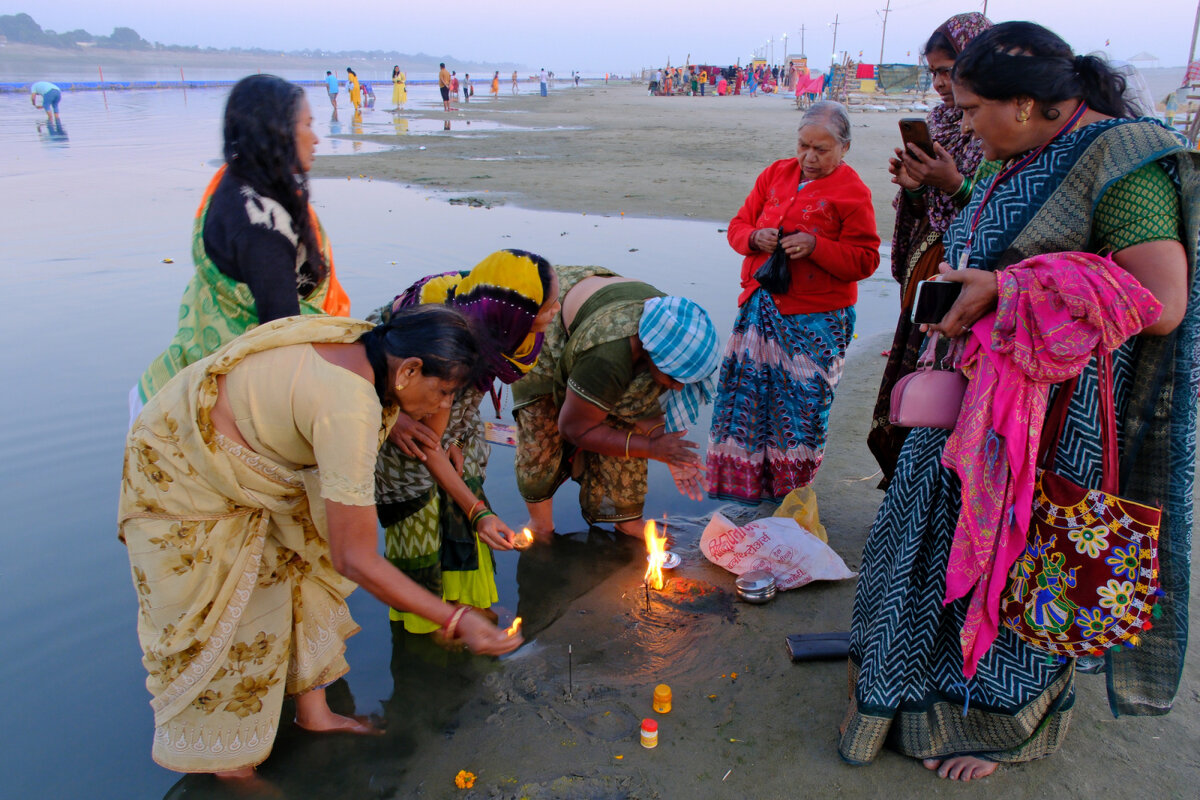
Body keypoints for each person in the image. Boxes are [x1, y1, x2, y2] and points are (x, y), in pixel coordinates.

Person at [840, 21, 1200, 781]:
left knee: (1022, 566)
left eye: (972, 109)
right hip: (970, 400)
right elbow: (1017, 232)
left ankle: (1001, 726)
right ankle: (909, 694)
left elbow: (1162, 303)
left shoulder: (1124, 161)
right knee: (932, 544)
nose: (964, 124)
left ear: (1026, 103)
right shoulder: (1023, 151)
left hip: (1052, 420)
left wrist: (1008, 289)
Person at [120, 307, 523, 779]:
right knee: (226, 618)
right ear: (409, 370)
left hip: (252, 461)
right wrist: (455, 618)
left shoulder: (370, 345)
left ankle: (314, 714)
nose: (441, 406)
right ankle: (231, 767)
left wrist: (474, 511)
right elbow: (355, 559)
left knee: (301, 565)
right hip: (183, 469)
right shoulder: (349, 406)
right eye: (444, 392)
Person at [133, 75, 350, 420]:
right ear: (277, 131)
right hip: (205, 409)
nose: (316, 138)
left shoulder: (235, 181)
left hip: (182, 373)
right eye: (308, 125)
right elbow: (283, 339)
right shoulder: (263, 227)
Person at [373, 251, 560, 633]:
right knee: (420, 508)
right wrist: (479, 513)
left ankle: (467, 604)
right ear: (518, 315)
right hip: (395, 408)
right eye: (549, 306)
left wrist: (456, 436)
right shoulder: (449, 342)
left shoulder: (493, 316)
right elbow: (429, 444)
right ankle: (427, 622)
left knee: (464, 476)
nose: (557, 310)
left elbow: (458, 408)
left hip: (442, 410)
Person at [707, 101, 880, 505]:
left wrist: (817, 246)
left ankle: (793, 494)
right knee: (751, 403)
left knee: (804, 409)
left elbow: (866, 260)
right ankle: (755, 490)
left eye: (821, 149)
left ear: (844, 148)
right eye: (803, 146)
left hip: (816, 320)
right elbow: (737, 227)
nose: (809, 157)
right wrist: (755, 238)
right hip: (760, 308)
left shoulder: (853, 192)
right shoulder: (775, 174)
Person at [867, 12, 992, 486]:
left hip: (968, 280)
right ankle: (907, 483)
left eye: (949, 70)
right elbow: (926, 212)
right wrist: (917, 186)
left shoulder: (997, 130)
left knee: (947, 388)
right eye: (934, 72)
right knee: (915, 381)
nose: (941, 83)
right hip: (927, 271)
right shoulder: (940, 122)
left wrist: (953, 183)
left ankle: (937, 486)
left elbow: (996, 214)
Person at [512, 266, 720, 538]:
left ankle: (627, 520)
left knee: (626, 430)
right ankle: (540, 524)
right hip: (548, 320)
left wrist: (664, 445)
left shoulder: (672, 328)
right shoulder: (607, 356)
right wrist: (652, 448)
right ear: (652, 354)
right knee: (541, 428)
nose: (679, 386)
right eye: (674, 377)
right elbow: (573, 428)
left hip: (602, 317)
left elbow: (639, 405)